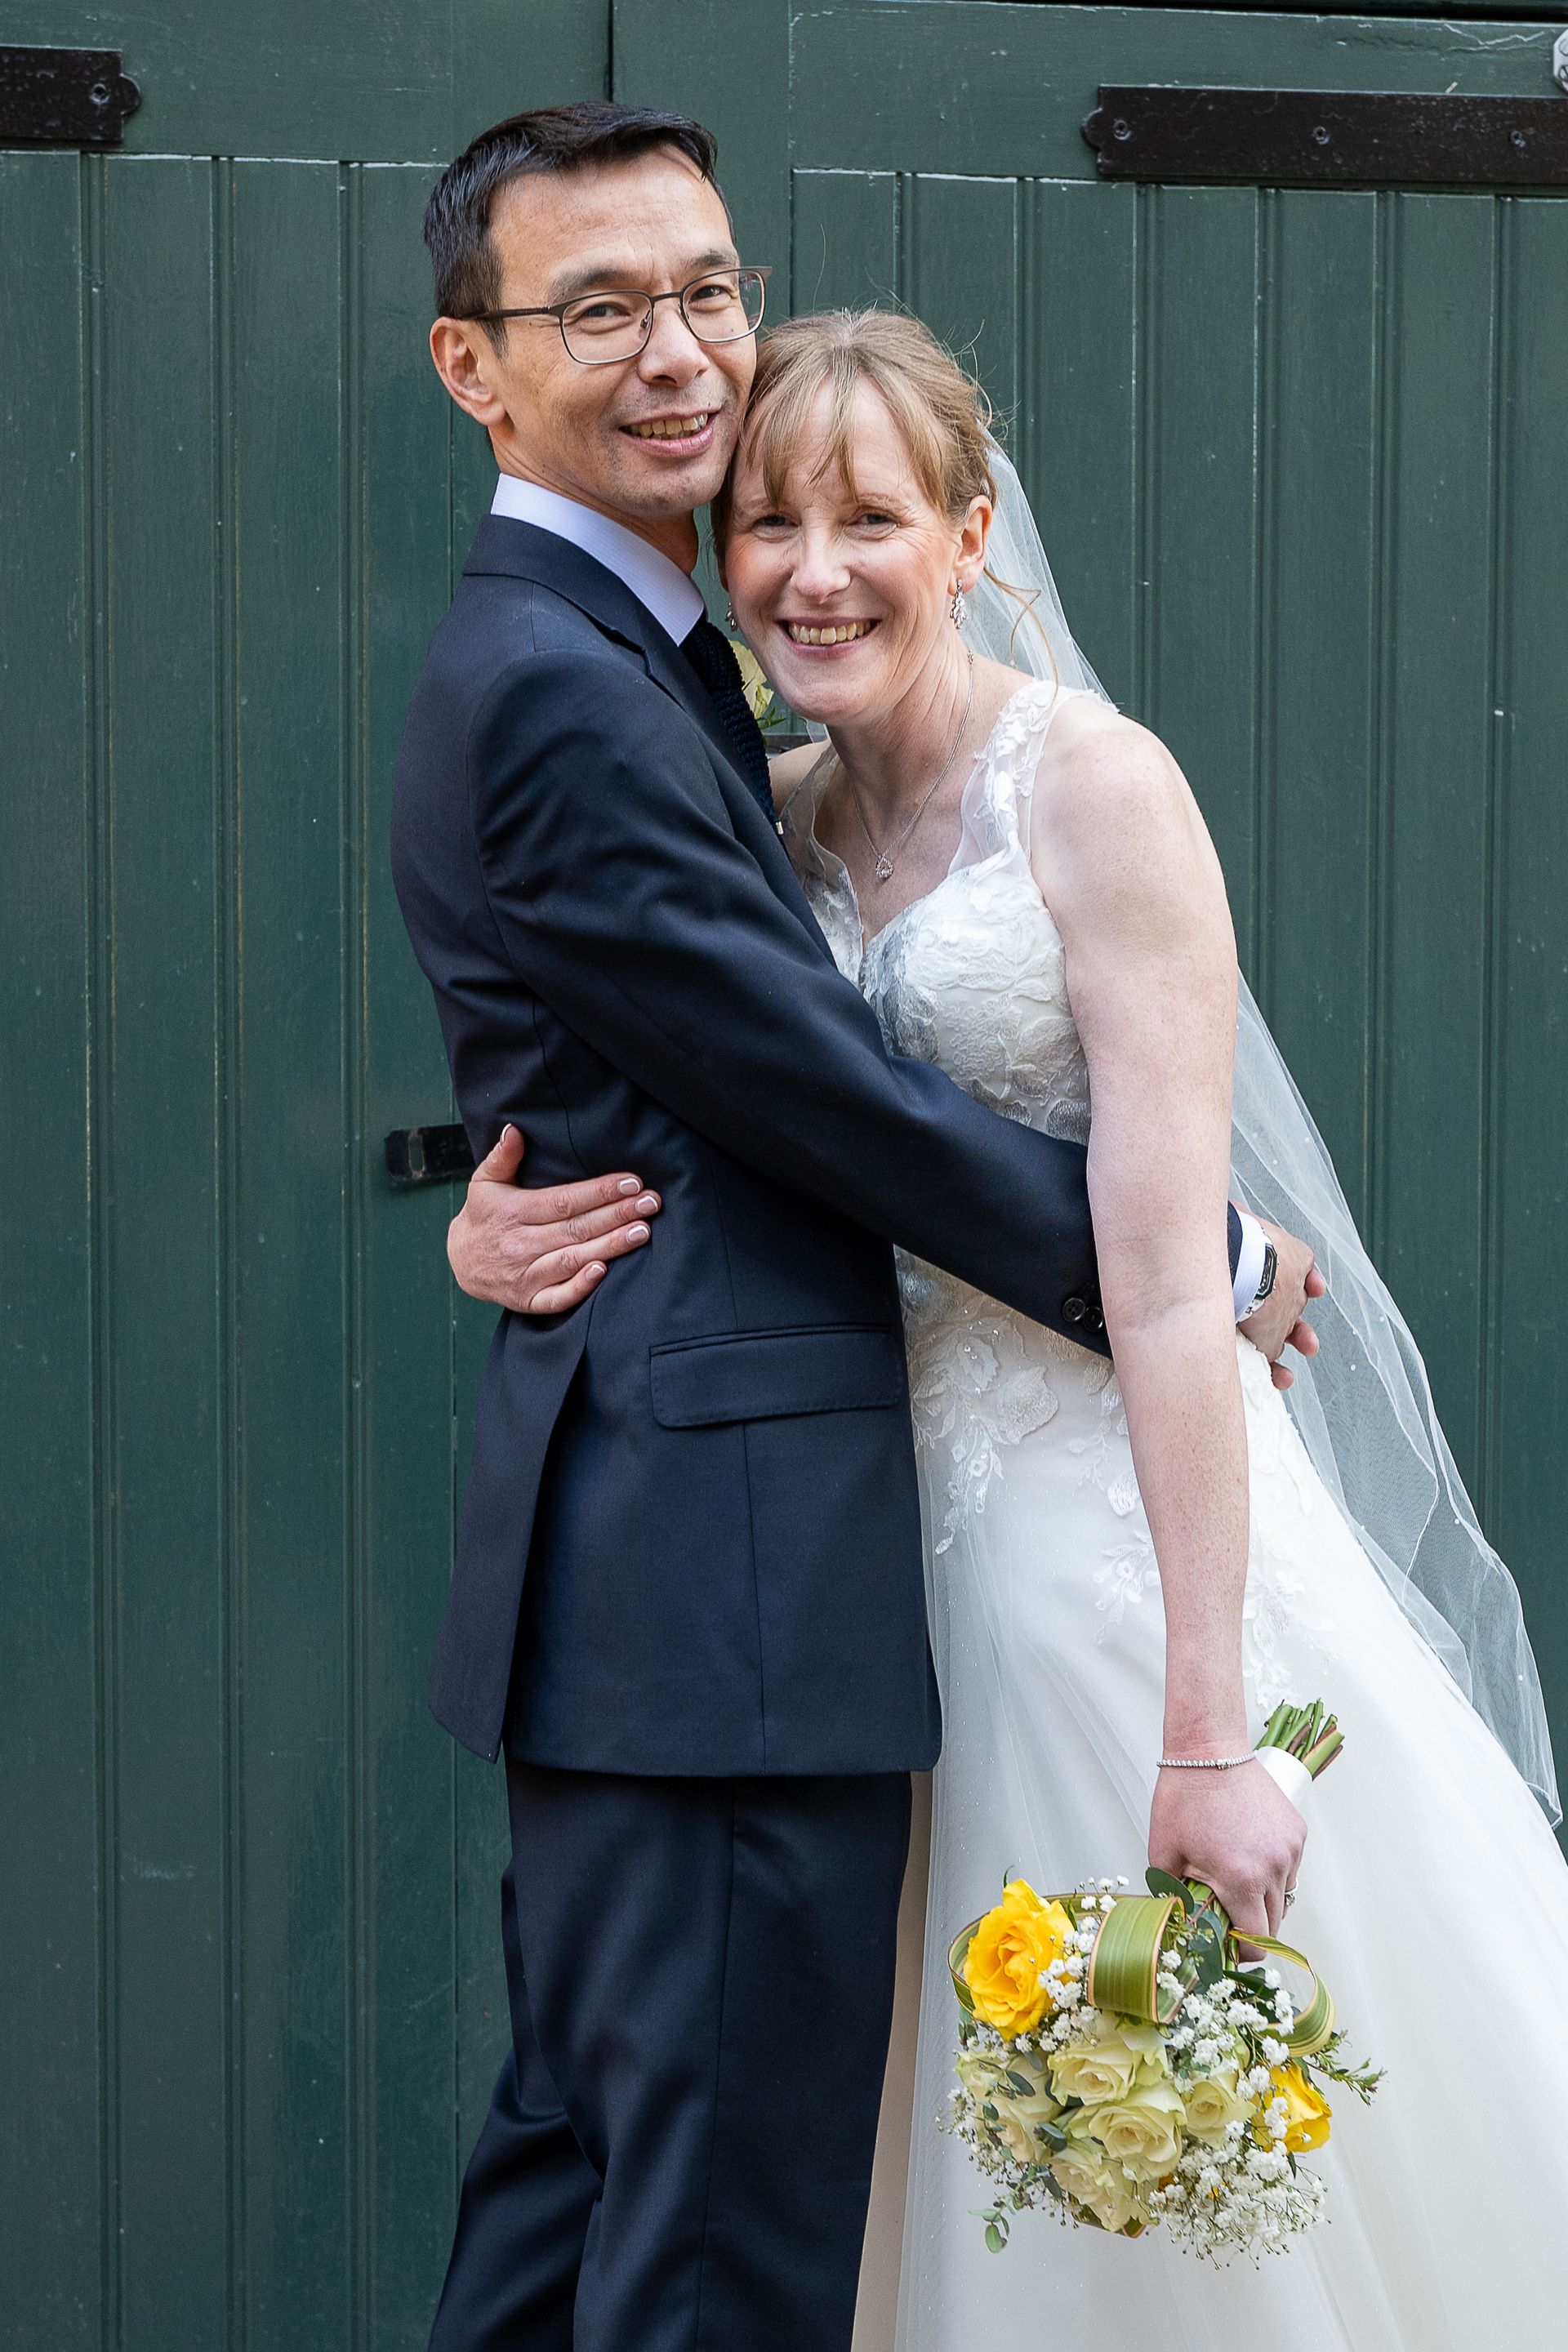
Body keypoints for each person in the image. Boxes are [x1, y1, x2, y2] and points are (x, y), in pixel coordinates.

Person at [457, 307, 1568, 2351]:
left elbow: (1164, 1289)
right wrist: (490, 1217)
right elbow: (708, 1086)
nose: (814, 573)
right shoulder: (769, 811)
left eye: (871, 519)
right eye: (770, 523)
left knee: (1167, 2159)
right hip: (857, 1573)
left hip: (1105, 1557)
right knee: (892, 2143)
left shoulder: (1100, 795)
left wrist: (1206, 1725)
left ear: (972, 537)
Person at [392, 103, 1315, 2352]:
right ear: (472, 366)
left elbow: (650, 1067)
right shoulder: (571, 686)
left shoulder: (671, 672)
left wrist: (493, 1207)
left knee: (591, 2205)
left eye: (706, 289)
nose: (677, 350)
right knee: (706, 2253)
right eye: (598, 308)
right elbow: (821, 1097)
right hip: (723, 1598)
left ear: (969, 536)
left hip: (811, 1570)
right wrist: (1182, 1267)